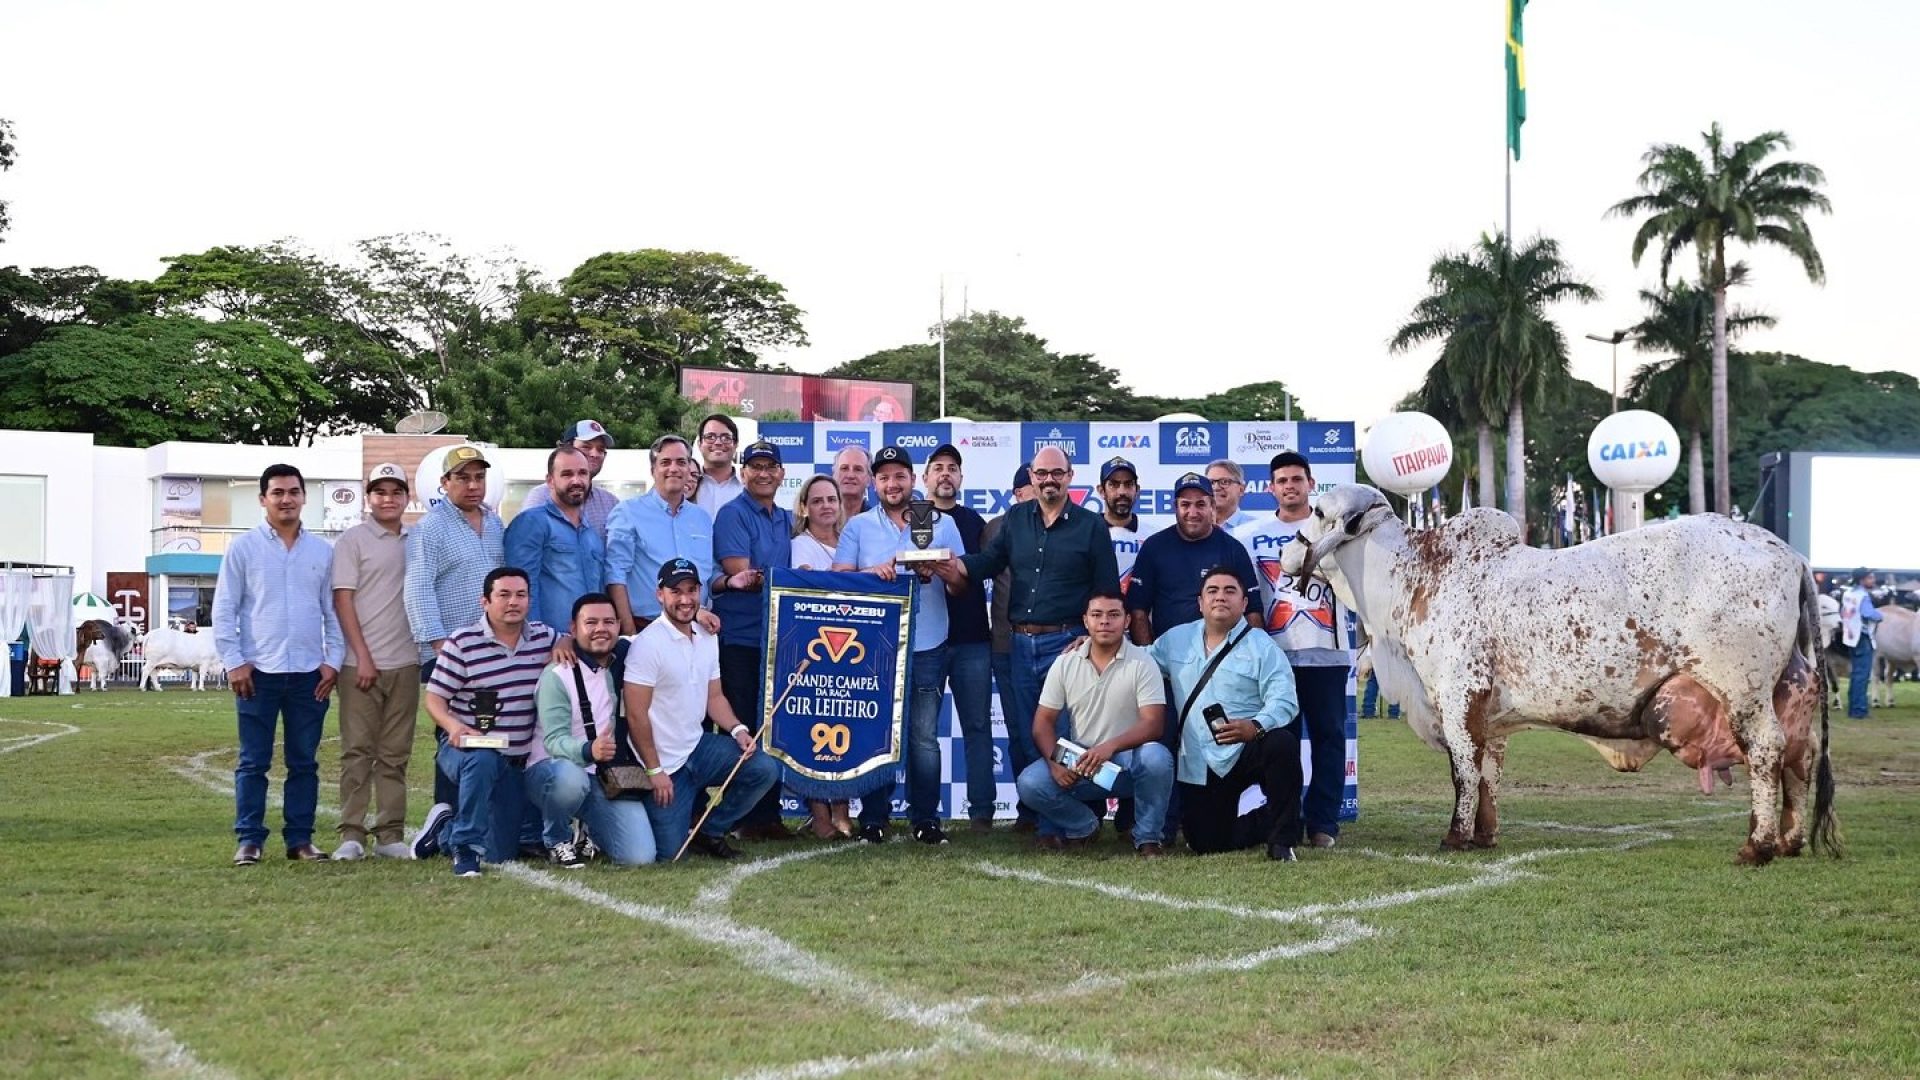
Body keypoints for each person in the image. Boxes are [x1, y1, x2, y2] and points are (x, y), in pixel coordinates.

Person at [957, 447, 1118, 828]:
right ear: (1031, 476)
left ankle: (1068, 823)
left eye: (1057, 473)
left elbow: (1107, 589)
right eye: (1042, 473)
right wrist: (953, 564)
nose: (1049, 480)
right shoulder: (1015, 519)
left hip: (1069, 643)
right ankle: (1049, 820)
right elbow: (988, 564)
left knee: (1066, 737)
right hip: (1019, 644)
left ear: (1070, 475)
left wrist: (1093, 639)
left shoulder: (1090, 525)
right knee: (1032, 737)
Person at [836, 444, 968, 845]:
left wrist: (943, 570)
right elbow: (839, 581)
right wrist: (868, 574)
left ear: (913, 479)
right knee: (877, 733)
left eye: (899, 476)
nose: (892, 484)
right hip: (874, 647)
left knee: (925, 737)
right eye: (884, 477)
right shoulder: (857, 526)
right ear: (874, 483)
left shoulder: (939, 522)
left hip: (928, 643)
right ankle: (873, 818)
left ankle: (925, 818)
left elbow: (963, 584)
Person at [214, 464, 345, 866]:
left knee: (304, 762)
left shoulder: (323, 551)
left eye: (293, 491)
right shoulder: (243, 548)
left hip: (310, 674)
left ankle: (300, 841)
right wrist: (234, 663)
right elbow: (224, 609)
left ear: (304, 496)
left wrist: (333, 662)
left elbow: (333, 611)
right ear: (262, 499)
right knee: (253, 761)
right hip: (257, 674)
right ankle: (249, 840)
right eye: (277, 493)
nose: (286, 499)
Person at [625, 558, 781, 861]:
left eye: (692, 590)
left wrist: (738, 730)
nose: (685, 599)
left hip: (697, 747)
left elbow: (714, 697)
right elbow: (635, 715)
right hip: (664, 763)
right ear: (660, 595)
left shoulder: (707, 636)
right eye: (676, 592)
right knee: (669, 853)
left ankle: (709, 830)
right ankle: (684, 822)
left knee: (764, 768)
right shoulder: (647, 645)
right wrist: (654, 771)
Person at [1238, 450, 1354, 847]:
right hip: (1274, 657)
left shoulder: (1338, 531)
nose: (1290, 486)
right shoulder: (1249, 535)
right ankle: (1282, 820)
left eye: (1296, 479)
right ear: (1270, 488)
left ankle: (1323, 823)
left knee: (1329, 736)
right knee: (1278, 743)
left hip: (1327, 650)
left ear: (1310, 484)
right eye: (1282, 480)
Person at [1148, 567, 1302, 861]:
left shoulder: (1262, 646)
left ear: (1244, 603)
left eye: (1230, 591)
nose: (1221, 597)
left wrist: (1255, 727)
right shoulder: (1174, 639)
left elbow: (1284, 701)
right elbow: (1138, 662)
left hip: (1247, 747)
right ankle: (1275, 817)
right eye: (1213, 591)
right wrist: (1096, 645)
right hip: (1200, 759)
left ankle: (1282, 841)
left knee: (1281, 742)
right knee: (1206, 842)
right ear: (1200, 602)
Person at [403, 444, 506, 855]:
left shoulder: (496, 524)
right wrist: (440, 645)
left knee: (489, 733)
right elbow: (418, 589)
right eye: (462, 477)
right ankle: (444, 818)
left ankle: (480, 822)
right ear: (444, 484)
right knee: (453, 735)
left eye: (478, 477)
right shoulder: (429, 529)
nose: (472, 484)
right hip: (447, 652)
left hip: (492, 651)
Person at [1017, 589, 1175, 856]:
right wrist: (1055, 762)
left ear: (1126, 622)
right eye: (1097, 615)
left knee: (1157, 757)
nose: (1104, 621)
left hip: (1126, 760)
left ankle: (1148, 837)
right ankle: (1084, 826)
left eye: (1113, 615)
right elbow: (1042, 723)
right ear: (1085, 621)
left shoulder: (1143, 661)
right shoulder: (1065, 662)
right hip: (1081, 758)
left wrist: (1109, 747)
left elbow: (1154, 725)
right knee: (1029, 782)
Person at [425, 567, 555, 877]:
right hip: (466, 748)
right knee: (481, 760)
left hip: (515, 758)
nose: (513, 602)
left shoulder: (544, 637)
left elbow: (576, 640)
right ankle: (465, 850)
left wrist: (563, 644)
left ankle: (444, 829)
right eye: (504, 595)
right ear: (485, 601)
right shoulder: (462, 642)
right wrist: (452, 726)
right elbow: (434, 698)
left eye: (520, 595)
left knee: (500, 852)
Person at [329, 462, 419, 862]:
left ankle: (390, 834)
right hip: (360, 664)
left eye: (396, 492)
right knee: (358, 752)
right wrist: (362, 655)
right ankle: (351, 834)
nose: (388, 499)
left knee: (395, 753)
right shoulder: (353, 540)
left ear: (406, 497)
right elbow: (342, 599)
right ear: (369, 498)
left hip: (407, 661)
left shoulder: (416, 541)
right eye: (380, 492)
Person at [526, 593, 655, 867]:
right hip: (552, 771)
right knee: (570, 779)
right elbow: (553, 741)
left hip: (600, 777)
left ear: (619, 626)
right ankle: (557, 839)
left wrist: (698, 616)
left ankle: (586, 829)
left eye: (608, 622)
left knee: (639, 857)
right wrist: (588, 749)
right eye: (591, 622)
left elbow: (660, 634)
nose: (601, 629)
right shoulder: (557, 674)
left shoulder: (623, 656)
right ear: (573, 629)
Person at [711, 439, 795, 839]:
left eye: (770, 467)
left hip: (775, 637)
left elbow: (773, 575)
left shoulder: (781, 516)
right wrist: (797, 581)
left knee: (771, 726)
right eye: (755, 466)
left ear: (781, 474)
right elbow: (741, 573)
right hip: (741, 639)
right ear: (743, 473)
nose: (764, 473)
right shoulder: (732, 513)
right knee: (743, 726)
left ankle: (767, 816)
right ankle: (741, 818)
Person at [926, 443, 998, 833]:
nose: (945, 474)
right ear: (926, 478)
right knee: (922, 732)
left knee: (977, 727)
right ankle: (924, 812)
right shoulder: (911, 520)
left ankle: (982, 813)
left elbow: (986, 573)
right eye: (938, 468)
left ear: (961, 477)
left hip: (972, 638)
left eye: (952, 468)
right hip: (925, 641)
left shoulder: (975, 523)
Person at [789, 473, 853, 839]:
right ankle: (821, 817)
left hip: (849, 650)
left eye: (831, 499)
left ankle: (842, 811)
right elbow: (812, 591)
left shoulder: (849, 540)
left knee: (846, 729)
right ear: (804, 507)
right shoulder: (801, 545)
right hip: (815, 650)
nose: (826, 506)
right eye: (817, 500)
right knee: (813, 734)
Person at [605, 434, 717, 637]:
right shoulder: (628, 512)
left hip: (695, 628)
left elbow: (707, 574)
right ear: (652, 470)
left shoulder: (702, 518)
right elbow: (615, 574)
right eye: (665, 462)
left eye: (681, 462)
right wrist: (629, 632)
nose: (673, 468)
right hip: (645, 628)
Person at [1128, 472, 1259, 643]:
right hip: (1168, 656)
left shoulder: (1233, 548)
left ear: (1212, 505)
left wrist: (1257, 656)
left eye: (1200, 504)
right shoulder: (1154, 547)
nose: (1193, 512)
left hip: (1225, 657)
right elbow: (1138, 610)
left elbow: (1253, 610)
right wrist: (1148, 656)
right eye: (1185, 505)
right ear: (1175, 506)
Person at [982, 465, 1037, 828]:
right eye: (1034, 485)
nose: (1044, 489)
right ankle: (1029, 808)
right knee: (1018, 730)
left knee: (1056, 728)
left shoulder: (1069, 523)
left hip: (1055, 642)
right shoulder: (996, 528)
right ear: (1017, 493)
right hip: (1005, 644)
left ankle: (1062, 807)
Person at [505, 446, 609, 636]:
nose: (576, 481)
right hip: (549, 645)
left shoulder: (591, 534)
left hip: (589, 643)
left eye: (582, 473)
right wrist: (541, 640)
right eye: (567, 474)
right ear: (550, 481)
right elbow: (521, 589)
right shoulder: (532, 523)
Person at [520, 419, 621, 541]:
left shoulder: (610, 503)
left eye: (600, 449)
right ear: (566, 449)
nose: (595, 454)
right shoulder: (541, 497)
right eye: (586, 447)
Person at [1098, 456, 1148, 595]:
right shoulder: (1084, 532)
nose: (1122, 492)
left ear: (1137, 490)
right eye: (1113, 484)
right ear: (1101, 491)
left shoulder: (1153, 536)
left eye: (1128, 484)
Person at [1841, 568, 1884, 719]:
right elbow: (1868, 614)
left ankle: (1854, 707)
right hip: (1862, 636)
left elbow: (1843, 612)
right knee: (1862, 675)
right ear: (1862, 580)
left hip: (1851, 636)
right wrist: (1880, 615)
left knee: (1856, 674)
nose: (1873, 580)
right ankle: (1859, 710)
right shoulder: (1863, 596)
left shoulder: (1848, 593)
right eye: (1870, 577)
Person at [690, 414, 745, 518]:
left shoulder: (748, 486)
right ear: (699, 444)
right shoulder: (687, 482)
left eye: (726, 438)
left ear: (736, 444)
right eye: (710, 437)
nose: (718, 442)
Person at [1206, 459, 1261, 532]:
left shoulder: (1256, 528)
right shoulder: (1194, 526)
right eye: (1211, 482)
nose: (1215, 488)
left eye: (1224, 482)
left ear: (1241, 489)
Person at [834, 444, 873, 520]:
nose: (850, 475)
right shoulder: (818, 521)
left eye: (858, 469)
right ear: (834, 475)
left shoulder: (878, 525)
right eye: (844, 468)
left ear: (869, 479)